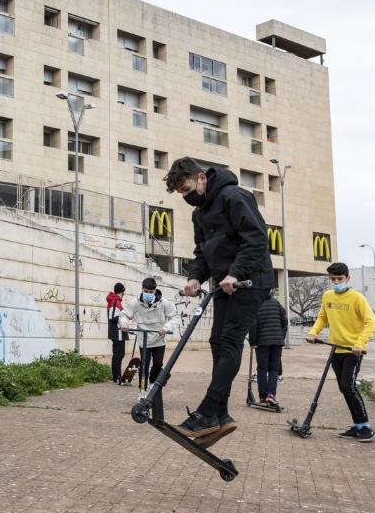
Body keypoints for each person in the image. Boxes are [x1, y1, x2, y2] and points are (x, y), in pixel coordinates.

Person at [163, 157, 273, 444]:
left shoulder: (234, 197)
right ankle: (220, 417)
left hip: (249, 281)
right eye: (180, 194)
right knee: (217, 342)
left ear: (201, 178)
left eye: (186, 188)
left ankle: (209, 410)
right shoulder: (199, 214)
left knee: (230, 341)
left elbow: (257, 239)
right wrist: (195, 278)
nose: (186, 197)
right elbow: (203, 253)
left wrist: (235, 273)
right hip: (225, 285)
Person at [306, 262, 375, 442]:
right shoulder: (327, 296)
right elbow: (323, 317)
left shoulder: (357, 298)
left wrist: (359, 343)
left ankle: (365, 427)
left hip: (353, 352)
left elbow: (372, 323)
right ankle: (358, 425)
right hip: (335, 350)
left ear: (347, 278)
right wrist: (313, 332)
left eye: (340, 279)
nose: (337, 282)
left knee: (348, 386)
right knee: (344, 388)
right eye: (333, 279)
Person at [119, 278, 178, 394]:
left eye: (151, 292)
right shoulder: (135, 303)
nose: (148, 294)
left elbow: (175, 317)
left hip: (159, 338)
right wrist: (124, 323)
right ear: (142, 289)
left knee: (158, 363)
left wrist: (166, 327)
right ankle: (142, 390)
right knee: (144, 365)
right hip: (144, 339)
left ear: (155, 291)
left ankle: (152, 382)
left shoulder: (163, 303)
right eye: (146, 291)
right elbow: (124, 314)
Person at [249, 295, 288, 408]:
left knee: (262, 369)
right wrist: (281, 336)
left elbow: (253, 325)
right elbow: (284, 322)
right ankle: (270, 395)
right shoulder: (276, 303)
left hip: (262, 342)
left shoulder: (255, 304)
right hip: (277, 342)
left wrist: (253, 342)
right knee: (274, 369)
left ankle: (262, 397)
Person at [106, 283, 127, 383]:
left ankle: (117, 375)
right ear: (122, 292)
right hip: (117, 332)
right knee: (118, 354)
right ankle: (117, 376)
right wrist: (124, 322)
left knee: (119, 354)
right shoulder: (115, 301)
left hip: (119, 332)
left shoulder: (116, 301)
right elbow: (113, 317)